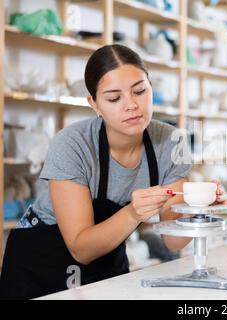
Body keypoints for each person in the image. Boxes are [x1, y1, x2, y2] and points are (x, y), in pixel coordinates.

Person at [0, 44, 214, 299]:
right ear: (94, 103)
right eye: (114, 98)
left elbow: (173, 240)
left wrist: (197, 208)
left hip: (106, 261)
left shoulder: (170, 142)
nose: (132, 105)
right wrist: (134, 213)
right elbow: (81, 249)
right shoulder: (72, 144)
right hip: (40, 263)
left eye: (140, 91)